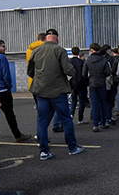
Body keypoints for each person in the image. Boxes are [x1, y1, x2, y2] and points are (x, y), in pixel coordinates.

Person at [29, 29, 84, 159]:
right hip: (58, 91)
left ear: (46, 38)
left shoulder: (36, 51)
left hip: (41, 91)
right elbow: (68, 70)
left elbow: (30, 71)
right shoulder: (60, 50)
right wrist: (74, 71)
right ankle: (72, 147)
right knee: (66, 119)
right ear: (57, 39)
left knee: (42, 121)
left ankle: (44, 151)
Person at [0, 39, 29, 142]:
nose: (5, 48)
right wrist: (9, 86)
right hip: (3, 90)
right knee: (9, 114)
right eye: (3, 46)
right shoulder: (2, 58)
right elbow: (6, 74)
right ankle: (17, 135)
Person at [84, 43, 112, 132]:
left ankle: (95, 124)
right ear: (99, 50)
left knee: (94, 104)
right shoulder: (103, 60)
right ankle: (103, 122)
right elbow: (108, 72)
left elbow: (84, 73)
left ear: (91, 50)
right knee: (103, 103)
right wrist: (102, 76)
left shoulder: (88, 60)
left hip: (92, 83)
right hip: (101, 83)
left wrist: (89, 79)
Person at [69, 46, 89, 122]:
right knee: (81, 101)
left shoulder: (69, 61)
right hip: (81, 83)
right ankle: (80, 118)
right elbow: (85, 73)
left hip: (73, 83)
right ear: (78, 53)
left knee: (73, 100)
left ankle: (71, 114)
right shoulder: (82, 62)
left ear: (72, 52)